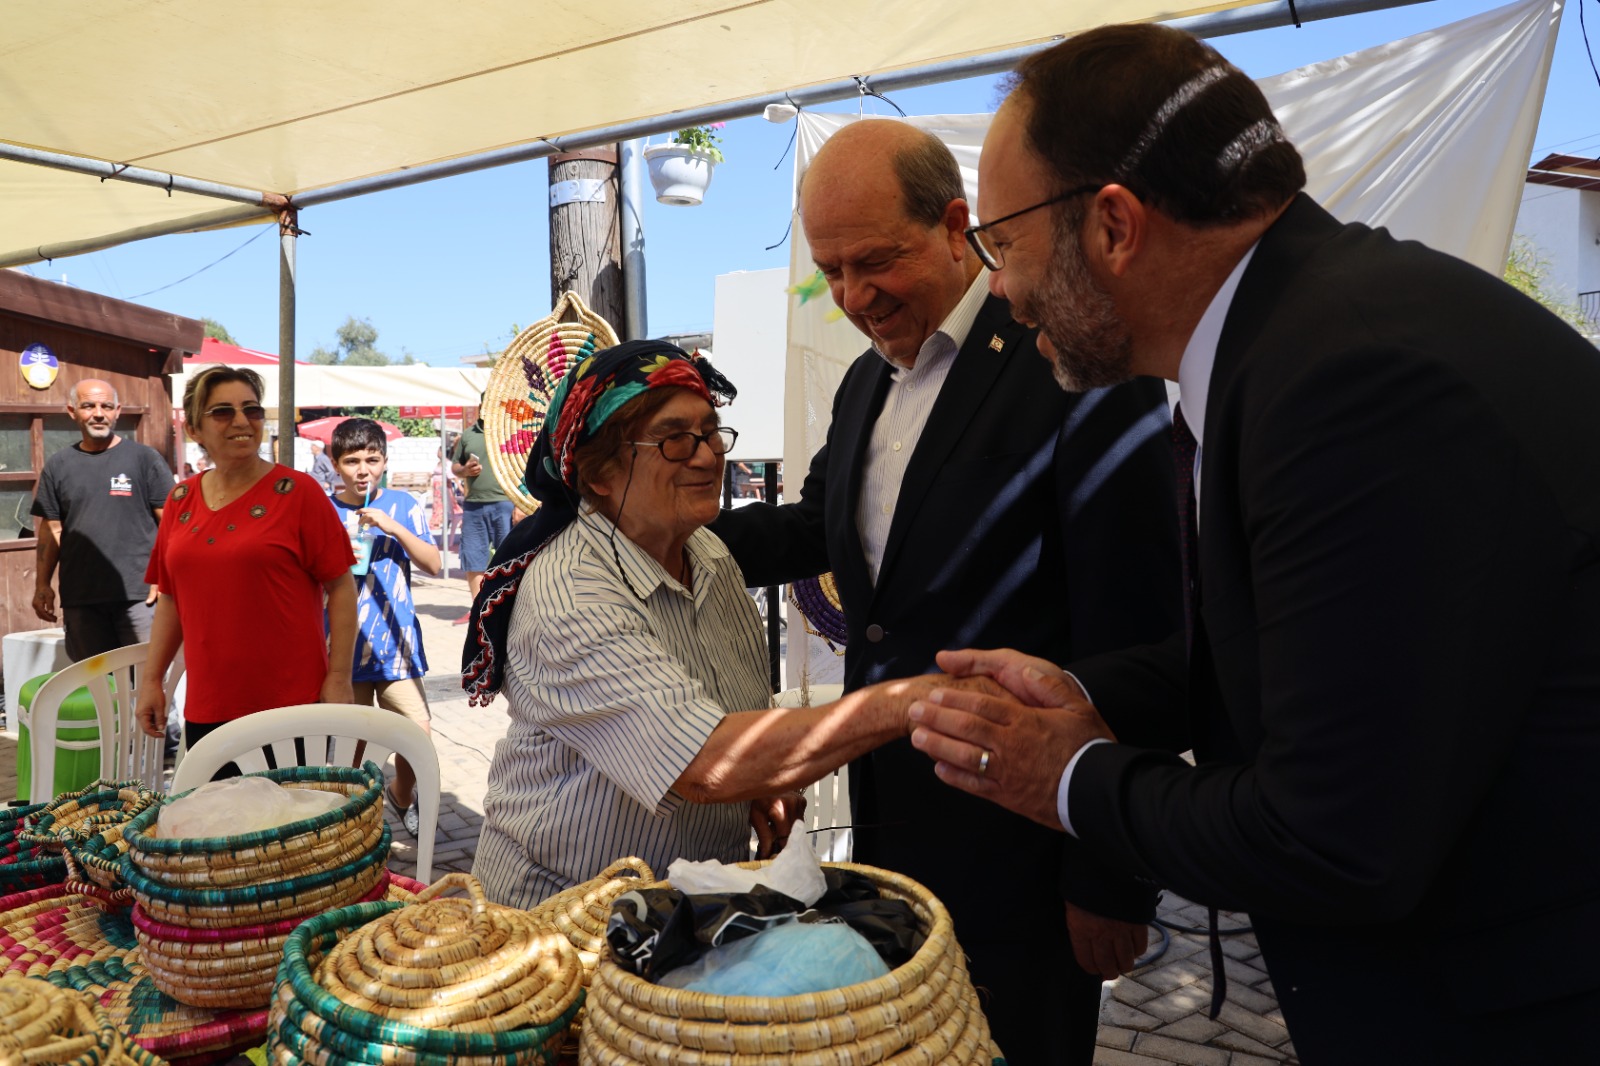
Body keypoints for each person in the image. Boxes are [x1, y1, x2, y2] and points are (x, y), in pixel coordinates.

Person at [902, 23, 1600, 1065]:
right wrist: (1084, 694)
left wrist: (1069, 777)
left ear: (1113, 225)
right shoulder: (1302, 338)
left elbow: (1335, 837)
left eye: (1001, 243)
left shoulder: (1351, 383)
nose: (998, 288)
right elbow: (1301, 661)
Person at [708, 120, 1181, 1064]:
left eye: (877, 261)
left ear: (957, 226)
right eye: (831, 272)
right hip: (893, 832)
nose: (854, 297)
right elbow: (816, 528)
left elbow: (1137, 634)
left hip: (1028, 841)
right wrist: (653, 533)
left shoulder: (1070, 361)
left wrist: (1110, 873)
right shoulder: (863, 385)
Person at [461, 341, 1001, 909]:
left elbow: (728, 724)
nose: (707, 456)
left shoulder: (709, 555)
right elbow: (706, 764)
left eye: (711, 432)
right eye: (674, 439)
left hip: (680, 904)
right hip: (559, 915)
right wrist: (909, 701)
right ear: (598, 474)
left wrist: (761, 785)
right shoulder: (570, 592)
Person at [134, 366, 358, 754]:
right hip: (208, 706)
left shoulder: (299, 493)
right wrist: (153, 679)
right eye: (223, 411)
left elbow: (341, 588)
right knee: (214, 796)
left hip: (291, 704)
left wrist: (339, 676)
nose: (241, 421)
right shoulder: (180, 501)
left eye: (251, 410)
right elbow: (170, 598)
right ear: (194, 429)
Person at [328, 418, 442, 837]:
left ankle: (401, 793)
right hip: (344, 649)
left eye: (372, 460)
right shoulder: (324, 509)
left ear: (385, 461)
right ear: (335, 464)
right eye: (351, 461)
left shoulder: (403, 504)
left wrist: (391, 527)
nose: (363, 470)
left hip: (397, 645)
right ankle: (357, 827)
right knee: (352, 746)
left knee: (416, 736)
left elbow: (433, 564)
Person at [30, 379, 171, 661]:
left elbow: (172, 523)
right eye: (88, 406)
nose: (98, 413)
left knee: (147, 676)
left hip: (139, 596)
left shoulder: (144, 459)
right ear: (72, 411)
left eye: (106, 406)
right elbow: (52, 530)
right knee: (94, 679)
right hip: (81, 599)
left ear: (117, 411)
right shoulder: (58, 465)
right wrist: (42, 584)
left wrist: (163, 576)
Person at [450, 398, 515, 624]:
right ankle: (479, 610)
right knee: (473, 558)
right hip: (473, 505)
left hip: (506, 503)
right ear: (480, 406)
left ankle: (508, 609)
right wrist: (464, 470)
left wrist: (519, 504)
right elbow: (455, 466)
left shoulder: (509, 431)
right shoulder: (468, 435)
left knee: (509, 559)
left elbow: (522, 466)